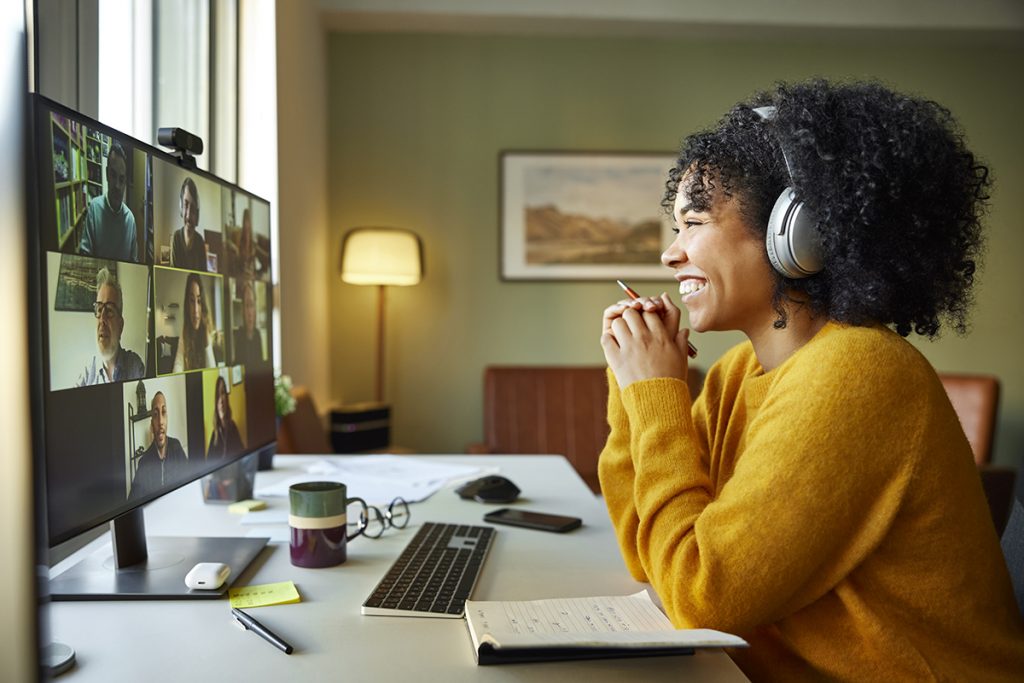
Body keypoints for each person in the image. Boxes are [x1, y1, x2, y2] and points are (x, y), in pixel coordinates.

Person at [598, 80, 1024, 681]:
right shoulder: (736, 374)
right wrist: (633, 387)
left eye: (693, 223)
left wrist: (657, 393)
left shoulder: (859, 372)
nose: (671, 254)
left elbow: (701, 596)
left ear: (797, 233)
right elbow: (648, 553)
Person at [76, 267, 145, 386]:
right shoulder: (86, 373)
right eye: (99, 309)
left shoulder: (135, 365)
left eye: (109, 310)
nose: (102, 319)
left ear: (120, 325)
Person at [79, 141, 138, 261]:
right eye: (113, 175)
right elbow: (84, 256)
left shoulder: (130, 220)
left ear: (126, 181)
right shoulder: (94, 209)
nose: (117, 185)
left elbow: (134, 262)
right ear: (106, 174)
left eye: (121, 179)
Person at [130, 392, 188, 498]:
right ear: (152, 424)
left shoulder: (177, 447)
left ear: (167, 419)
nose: (160, 421)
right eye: (156, 415)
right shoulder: (144, 463)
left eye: (164, 412)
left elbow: (189, 486)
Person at [172, 272, 216, 372]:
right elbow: (178, 365)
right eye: (192, 301)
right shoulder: (185, 331)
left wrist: (207, 343)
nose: (195, 310)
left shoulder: (210, 333)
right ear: (187, 304)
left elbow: (214, 374)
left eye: (199, 301)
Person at [170, 177, 207, 271]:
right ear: (181, 207)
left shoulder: (200, 241)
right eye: (186, 205)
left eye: (193, 207)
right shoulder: (176, 238)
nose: (189, 215)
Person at [207, 375, 244, 460]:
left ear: (227, 398)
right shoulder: (214, 435)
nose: (221, 401)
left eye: (223, 393)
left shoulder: (233, 427)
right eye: (218, 395)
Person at [232, 278, 263, 366]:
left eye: (252, 305)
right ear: (242, 310)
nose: (250, 312)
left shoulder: (257, 335)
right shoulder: (238, 337)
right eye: (247, 305)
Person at [234, 208, 256, 277]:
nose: (247, 223)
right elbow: (238, 256)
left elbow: (252, 258)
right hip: (242, 266)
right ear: (243, 221)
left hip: (249, 267)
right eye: (245, 221)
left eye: (248, 221)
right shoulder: (240, 234)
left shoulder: (252, 236)